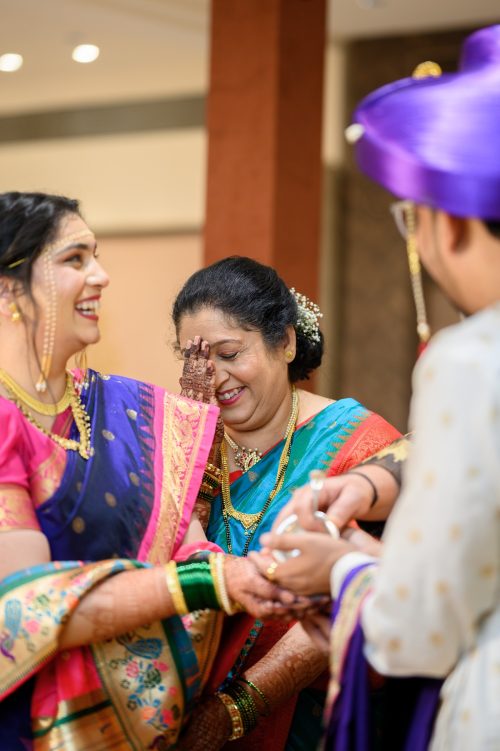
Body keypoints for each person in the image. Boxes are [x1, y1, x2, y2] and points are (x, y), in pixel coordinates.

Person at [258, 25, 500, 750]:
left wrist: (348, 567)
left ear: (449, 223)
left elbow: (416, 628)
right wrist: (366, 488)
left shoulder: (471, 360)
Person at [0, 192, 296, 751]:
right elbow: (28, 612)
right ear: (9, 287)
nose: (102, 275)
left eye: (97, 255)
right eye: (75, 259)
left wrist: (253, 577)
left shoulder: (133, 408)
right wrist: (215, 581)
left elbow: (193, 549)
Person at [172, 256, 401, 749]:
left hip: (314, 718)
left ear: (287, 342)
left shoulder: (360, 445)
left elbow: (353, 595)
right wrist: (189, 444)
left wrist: (240, 708)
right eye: (195, 358)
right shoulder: (189, 447)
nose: (214, 377)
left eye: (230, 353)